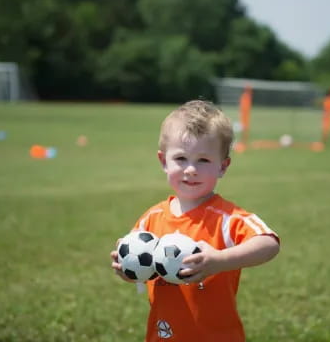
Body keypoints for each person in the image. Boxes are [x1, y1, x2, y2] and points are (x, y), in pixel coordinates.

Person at [110, 100, 280, 342]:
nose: (191, 169)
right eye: (181, 158)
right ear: (163, 161)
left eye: (203, 160)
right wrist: (126, 270)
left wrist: (219, 260)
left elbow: (269, 244)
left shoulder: (227, 217)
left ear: (223, 166)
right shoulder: (151, 219)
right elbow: (139, 266)